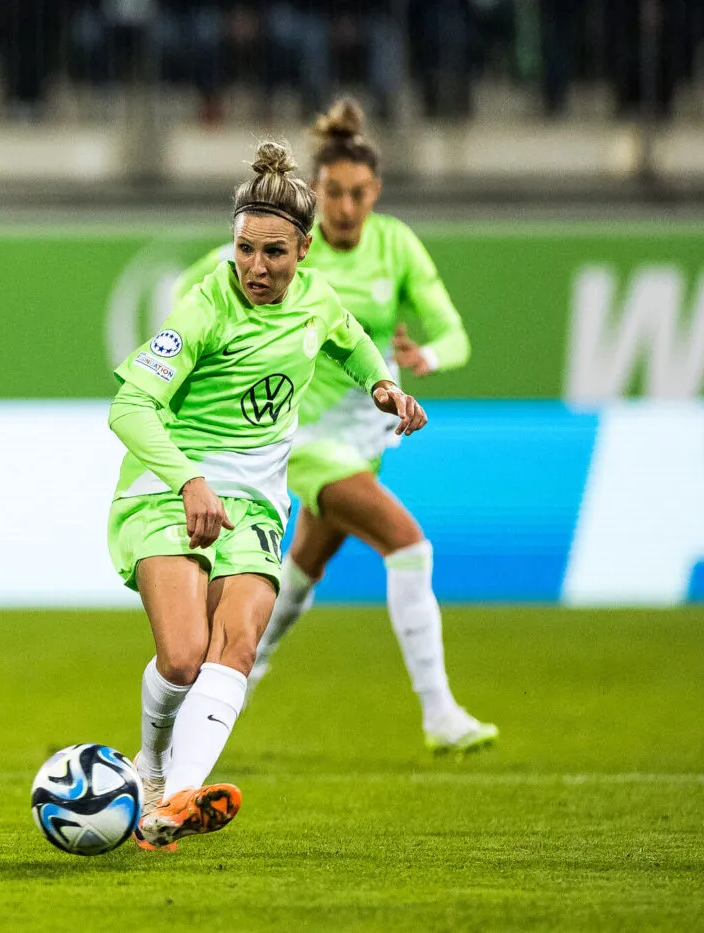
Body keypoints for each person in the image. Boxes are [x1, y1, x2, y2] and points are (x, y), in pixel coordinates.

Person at [108, 139, 426, 850]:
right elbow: (129, 409)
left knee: (241, 641)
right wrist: (189, 478)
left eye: (275, 253)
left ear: (304, 252)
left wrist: (382, 383)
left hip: (253, 505)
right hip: (168, 490)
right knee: (185, 657)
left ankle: (175, 801)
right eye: (245, 250)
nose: (257, 267)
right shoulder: (202, 310)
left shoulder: (317, 299)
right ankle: (152, 764)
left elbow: (349, 339)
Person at [198, 98, 491, 757]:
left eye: (359, 194)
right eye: (334, 192)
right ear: (316, 193)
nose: (347, 207)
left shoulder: (397, 245)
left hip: (366, 435)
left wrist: (427, 358)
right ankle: (439, 711)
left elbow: (453, 332)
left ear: (375, 192)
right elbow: (199, 289)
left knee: (303, 564)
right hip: (299, 432)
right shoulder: (280, 247)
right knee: (409, 545)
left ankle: (239, 666)